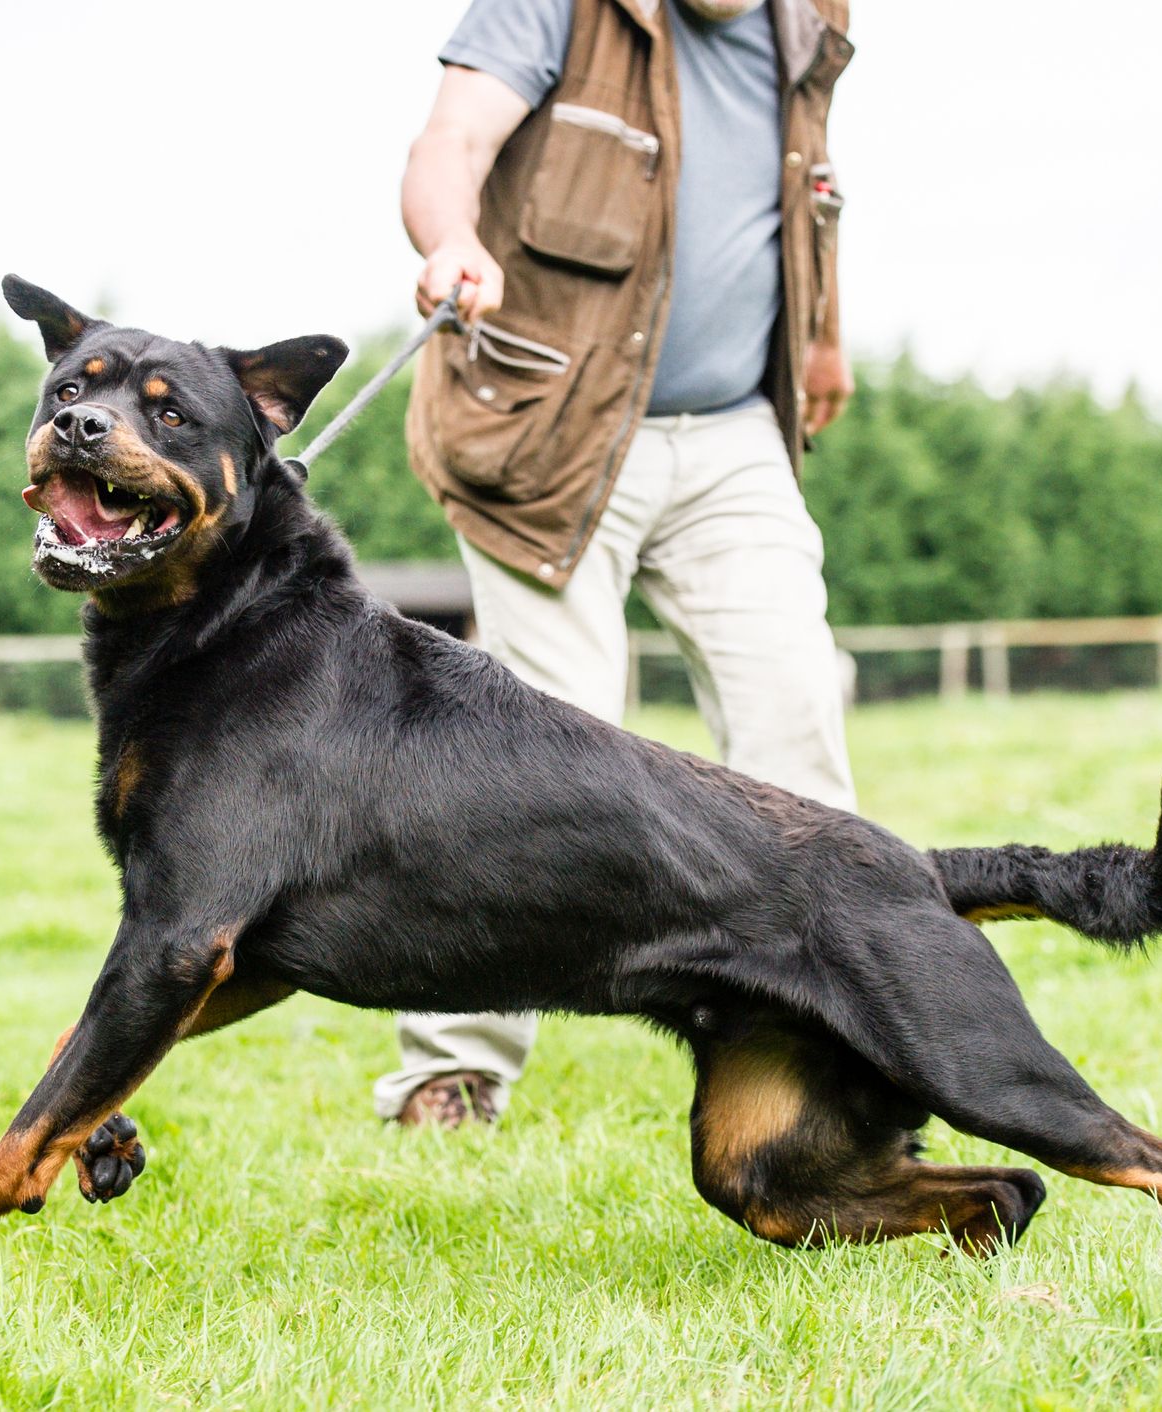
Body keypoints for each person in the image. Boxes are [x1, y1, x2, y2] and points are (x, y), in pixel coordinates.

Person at [377, 0, 859, 1128]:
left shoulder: (812, 21)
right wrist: (449, 237)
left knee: (797, 724)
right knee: (538, 760)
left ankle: (831, 1057)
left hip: (733, 428)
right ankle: (454, 1068)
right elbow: (448, 142)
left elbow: (806, 186)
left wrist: (825, 330)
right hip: (552, 424)